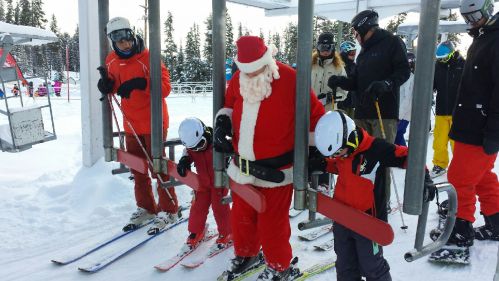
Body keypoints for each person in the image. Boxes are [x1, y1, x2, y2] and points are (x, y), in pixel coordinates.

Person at [214, 36, 325, 280]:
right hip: (242, 168)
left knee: (272, 224)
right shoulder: (237, 79)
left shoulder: (290, 79)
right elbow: (230, 104)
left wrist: (317, 149)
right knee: (241, 218)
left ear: (267, 60)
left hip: (277, 172)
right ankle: (247, 254)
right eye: (246, 70)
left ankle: (279, 265)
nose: (251, 75)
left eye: (256, 69)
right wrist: (223, 122)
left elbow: (315, 115)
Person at [309, 110, 436, 281]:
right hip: (342, 217)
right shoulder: (343, 151)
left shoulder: (376, 149)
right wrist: (321, 163)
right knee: (345, 266)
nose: (336, 157)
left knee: (372, 266)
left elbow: (409, 156)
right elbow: (338, 166)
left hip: (368, 222)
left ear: (351, 139)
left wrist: (424, 177)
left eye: (337, 153)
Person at [97, 17, 180, 235]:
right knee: (137, 168)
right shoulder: (111, 60)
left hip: (154, 121)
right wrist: (106, 85)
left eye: (126, 36)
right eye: (118, 38)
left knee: (158, 166)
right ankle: (146, 208)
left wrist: (142, 83)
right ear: (112, 40)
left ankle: (170, 209)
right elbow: (114, 85)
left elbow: (165, 88)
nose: (124, 42)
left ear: (132, 34)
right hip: (131, 122)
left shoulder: (149, 57)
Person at [327, 9, 410, 216]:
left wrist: (386, 84)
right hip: (362, 111)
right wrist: (341, 81)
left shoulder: (392, 42)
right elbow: (357, 81)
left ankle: (381, 202)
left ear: (365, 27)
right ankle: (360, 199)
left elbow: (403, 72)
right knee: (358, 157)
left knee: (382, 158)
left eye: (356, 32)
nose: (356, 36)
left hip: (384, 111)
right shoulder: (364, 51)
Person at [445, 0, 499, 246]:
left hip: (480, 128)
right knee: (482, 176)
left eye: (475, 15)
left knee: (460, 178)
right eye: (465, 18)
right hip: (469, 124)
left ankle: (460, 228)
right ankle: (496, 222)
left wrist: (494, 132)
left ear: (487, 9)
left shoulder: (495, 40)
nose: (471, 22)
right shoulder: (482, 37)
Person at [176, 117, 232, 252]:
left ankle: (227, 232)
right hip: (203, 184)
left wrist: (228, 159)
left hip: (219, 182)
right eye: (194, 148)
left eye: (201, 145)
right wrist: (184, 160)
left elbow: (232, 150)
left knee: (220, 208)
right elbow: (187, 152)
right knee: (197, 207)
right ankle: (196, 232)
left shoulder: (218, 143)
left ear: (205, 133)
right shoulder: (192, 147)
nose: (198, 149)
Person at [430, 41, 465, 178]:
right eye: (439, 59)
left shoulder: (463, 66)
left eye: (444, 58)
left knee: (456, 141)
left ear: (451, 54)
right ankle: (440, 164)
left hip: (458, 111)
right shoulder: (438, 67)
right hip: (442, 110)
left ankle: (459, 166)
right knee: (439, 140)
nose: (442, 61)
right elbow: (432, 84)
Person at [311, 32, 348, 110]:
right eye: (322, 47)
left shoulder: (338, 68)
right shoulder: (310, 65)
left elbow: (344, 91)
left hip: (328, 111)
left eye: (328, 47)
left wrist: (330, 97)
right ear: (318, 48)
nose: (325, 51)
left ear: (333, 48)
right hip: (310, 109)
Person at [395, 52, 416, 147]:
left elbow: (407, 98)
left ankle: (405, 157)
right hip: (400, 112)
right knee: (397, 136)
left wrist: (399, 115)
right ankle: (401, 156)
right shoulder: (403, 76)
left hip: (404, 114)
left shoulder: (410, 78)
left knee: (397, 134)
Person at [338, 40, 357, 118]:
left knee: (352, 126)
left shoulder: (354, 66)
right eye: (351, 53)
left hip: (352, 103)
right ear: (344, 53)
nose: (353, 55)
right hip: (341, 103)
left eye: (354, 53)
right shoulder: (339, 66)